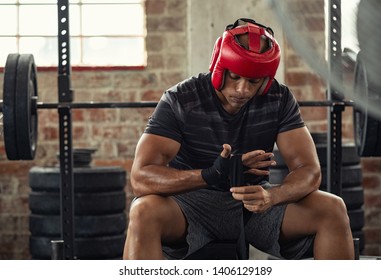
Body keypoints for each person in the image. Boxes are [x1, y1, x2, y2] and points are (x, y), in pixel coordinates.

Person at [123, 18, 354, 260]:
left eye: (253, 81)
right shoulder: (181, 99)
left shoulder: (279, 98)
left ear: (264, 80)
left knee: (332, 208)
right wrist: (210, 174)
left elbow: (309, 170)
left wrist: (273, 196)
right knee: (143, 212)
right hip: (190, 205)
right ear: (219, 68)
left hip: (254, 202)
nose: (242, 90)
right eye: (234, 77)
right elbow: (141, 177)